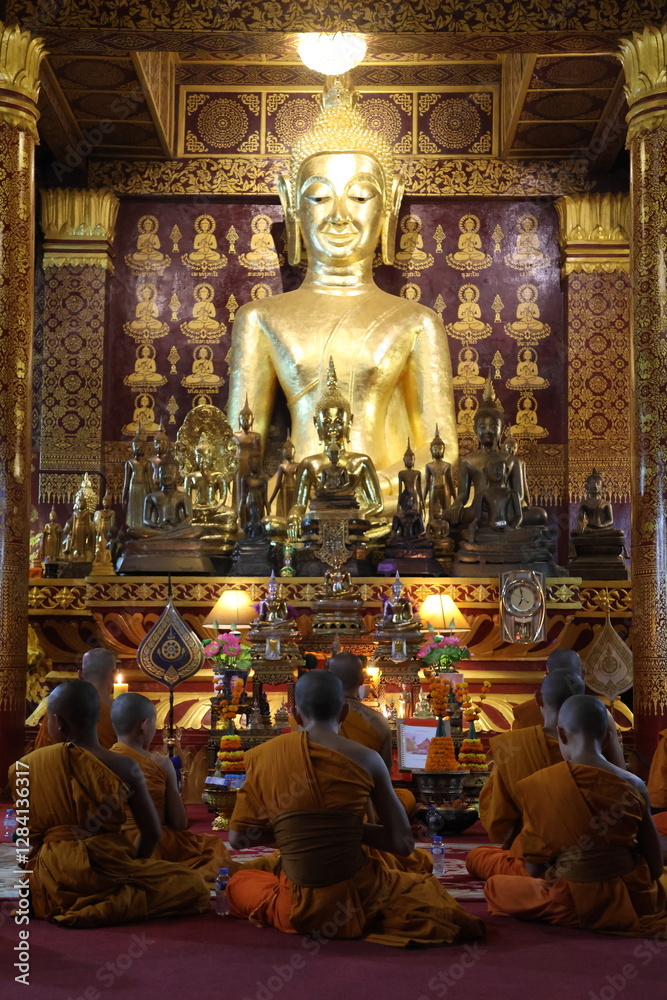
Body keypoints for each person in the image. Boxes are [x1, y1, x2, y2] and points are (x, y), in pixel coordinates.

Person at [225, 671, 485, 946]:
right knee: (415, 884)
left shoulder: (264, 756)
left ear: (295, 714)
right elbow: (403, 843)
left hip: (294, 908)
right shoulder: (367, 759)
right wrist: (346, 830)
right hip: (361, 900)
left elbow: (238, 839)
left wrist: (297, 833)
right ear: (344, 712)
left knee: (238, 883)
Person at [9, 680, 210, 927]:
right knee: (192, 884)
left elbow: (26, 838)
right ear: (98, 719)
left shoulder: (27, 766)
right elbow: (151, 833)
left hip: (52, 876)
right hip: (107, 866)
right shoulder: (126, 766)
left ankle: (61, 900)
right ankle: (109, 900)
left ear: (58, 723)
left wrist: (32, 880)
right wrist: (132, 870)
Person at [484, 695, 667, 935]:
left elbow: (534, 870)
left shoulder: (541, 785)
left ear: (561, 735)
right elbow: (654, 866)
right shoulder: (634, 784)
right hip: (631, 898)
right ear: (608, 737)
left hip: (571, 902)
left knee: (494, 886)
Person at [110, 693, 268, 880]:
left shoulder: (97, 762)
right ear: (144, 726)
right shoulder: (160, 764)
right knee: (211, 850)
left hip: (113, 847)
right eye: (154, 724)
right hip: (156, 847)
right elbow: (179, 822)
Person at [466, 670, 584, 881]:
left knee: (477, 857)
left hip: (533, 856)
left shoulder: (515, 746)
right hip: (592, 856)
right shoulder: (593, 748)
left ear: (538, 698)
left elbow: (497, 821)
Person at [511, 648, 626, 767]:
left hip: (533, 785)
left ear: (547, 675)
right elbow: (618, 770)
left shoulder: (525, 713)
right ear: (582, 674)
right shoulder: (599, 713)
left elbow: (514, 765)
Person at [34, 647, 118, 750]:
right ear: (113, 674)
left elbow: (41, 752)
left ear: (81, 675)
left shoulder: (60, 705)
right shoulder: (120, 712)